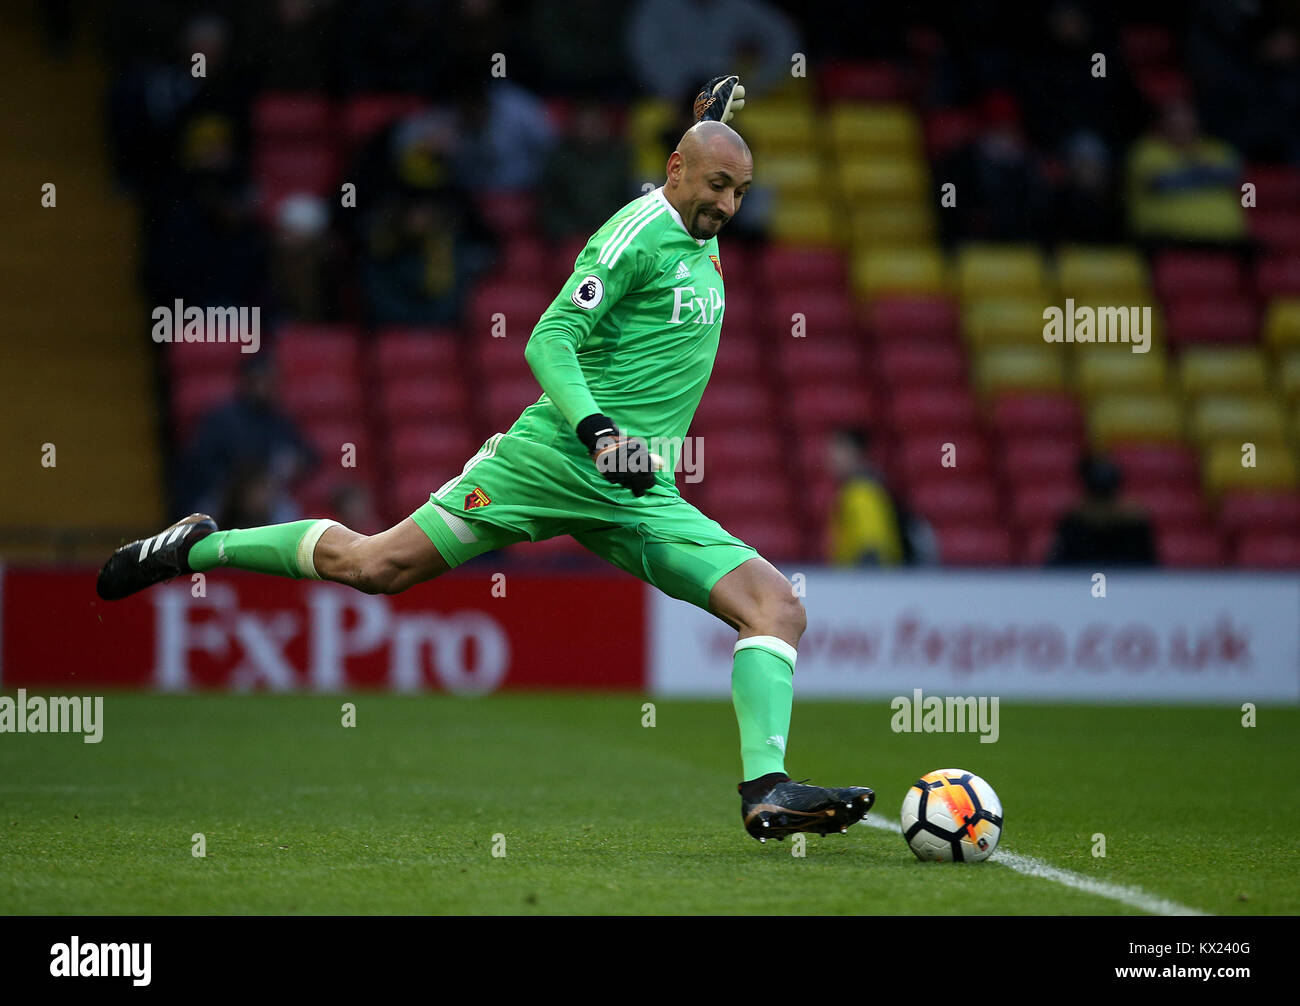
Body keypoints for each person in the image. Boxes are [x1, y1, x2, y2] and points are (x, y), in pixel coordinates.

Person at [98, 90, 875, 845]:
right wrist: (598, 429)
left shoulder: (697, 219)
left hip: (639, 490)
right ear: (674, 170)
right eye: (716, 186)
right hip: (556, 458)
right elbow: (547, 339)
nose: (729, 207)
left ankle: (765, 789)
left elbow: (702, 169)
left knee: (776, 608)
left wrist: (708, 124)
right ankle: (197, 545)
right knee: (377, 567)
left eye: (740, 192)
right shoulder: (634, 233)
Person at [826, 429, 937, 567]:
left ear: (855, 453)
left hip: (863, 583)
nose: (830, 457)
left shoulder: (861, 492)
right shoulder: (869, 487)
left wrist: (866, 584)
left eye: (837, 450)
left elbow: (871, 548)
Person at [1045, 455, 1158, 567]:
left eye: (1106, 497)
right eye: (1097, 498)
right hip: (1082, 581)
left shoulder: (1134, 523)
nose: (1102, 507)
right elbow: (1055, 570)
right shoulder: (1073, 521)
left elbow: (1150, 569)